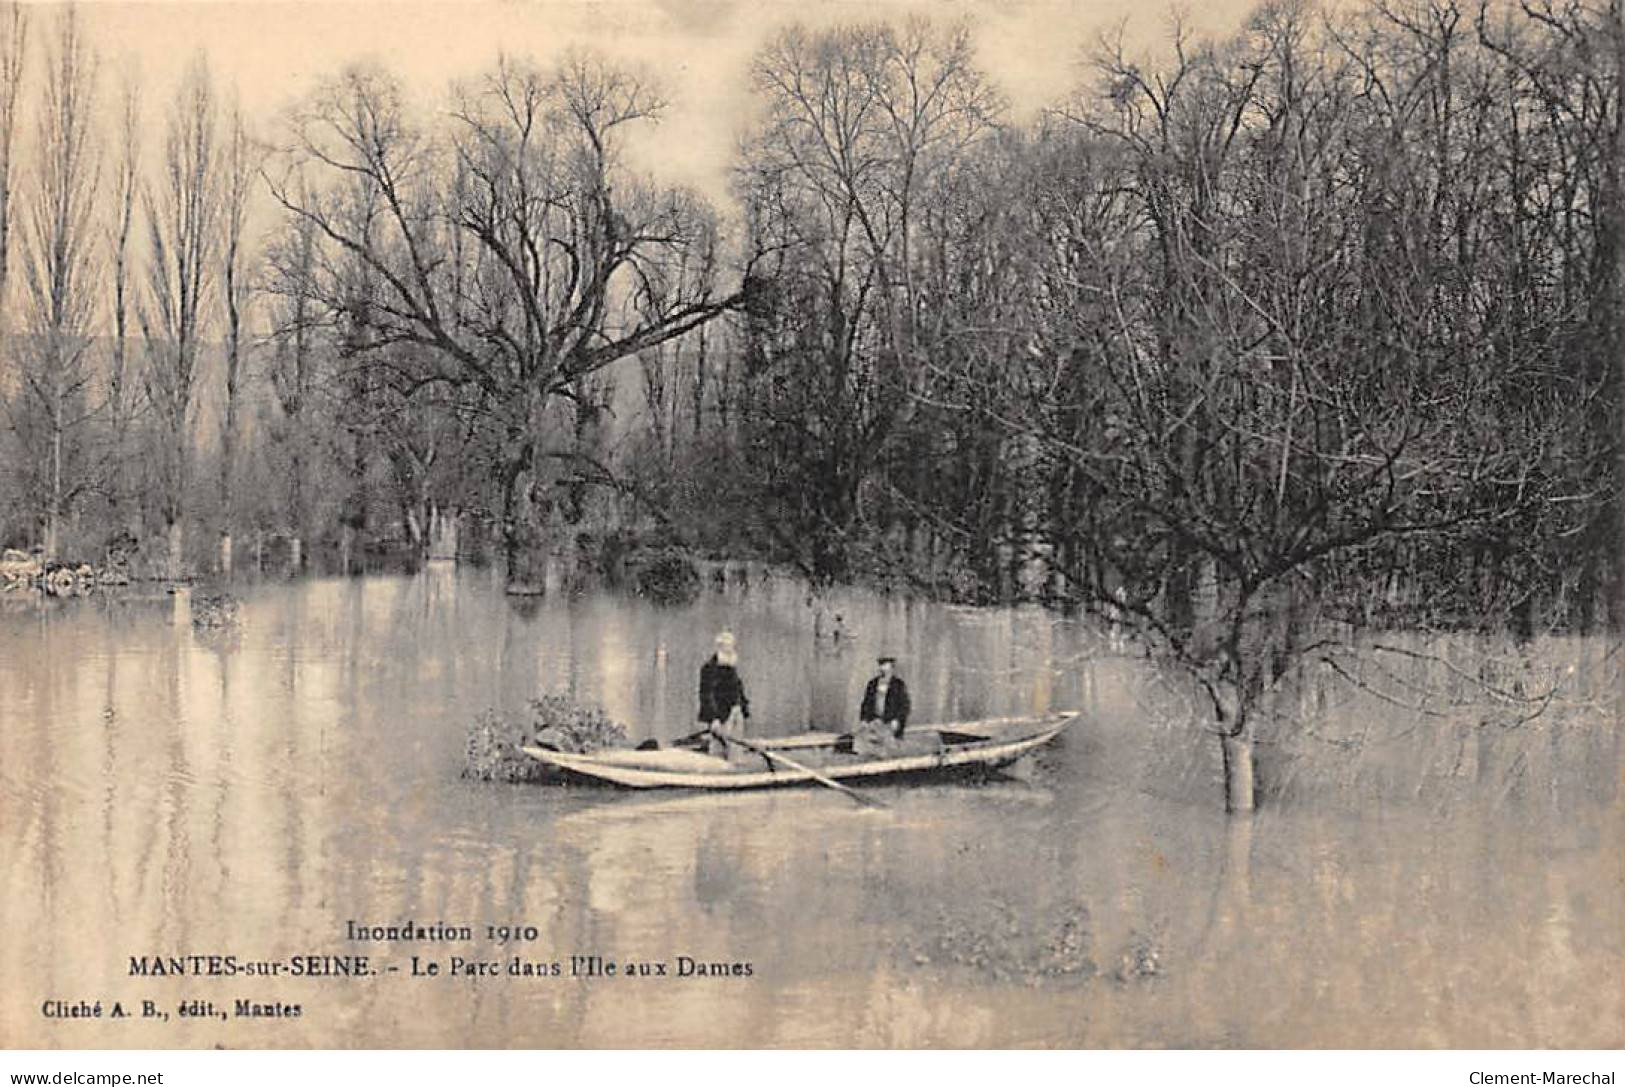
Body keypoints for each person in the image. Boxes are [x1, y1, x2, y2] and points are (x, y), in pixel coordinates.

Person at [698, 630, 750, 757]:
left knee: (736, 748)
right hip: (721, 715)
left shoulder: (731, 666)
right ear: (719, 647)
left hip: (735, 712)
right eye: (727, 646)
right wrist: (713, 718)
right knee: (719, 748)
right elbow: (706, 694)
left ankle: (736, 768)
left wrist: (743, 707)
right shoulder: (710, 668)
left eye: (731, 646)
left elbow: (738, 688)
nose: (730, 649)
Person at [858, 654, 911, 742]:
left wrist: (897, 720)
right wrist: (864, 719)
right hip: (874, 722)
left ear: (891, 666)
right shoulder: (873, 683)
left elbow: (904, 706)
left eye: (885, 665)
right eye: (881, 665)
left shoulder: (898, 685)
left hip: (889, 722)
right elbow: (866, 703)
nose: (882, 668)